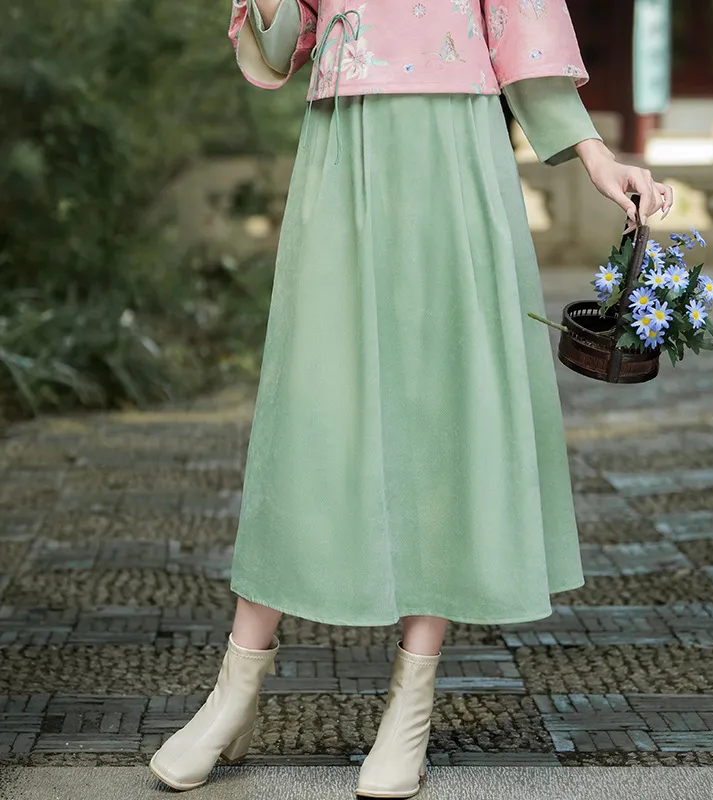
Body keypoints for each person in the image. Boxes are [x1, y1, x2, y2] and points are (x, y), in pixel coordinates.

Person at [149, 1, 673, 796]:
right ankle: (235, 690)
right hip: (342, 147)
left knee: (442, 409)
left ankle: (410, 706)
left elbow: (521, 22)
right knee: (309, 418)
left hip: (456, 151)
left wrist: (595, 155)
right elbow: (281, 42)